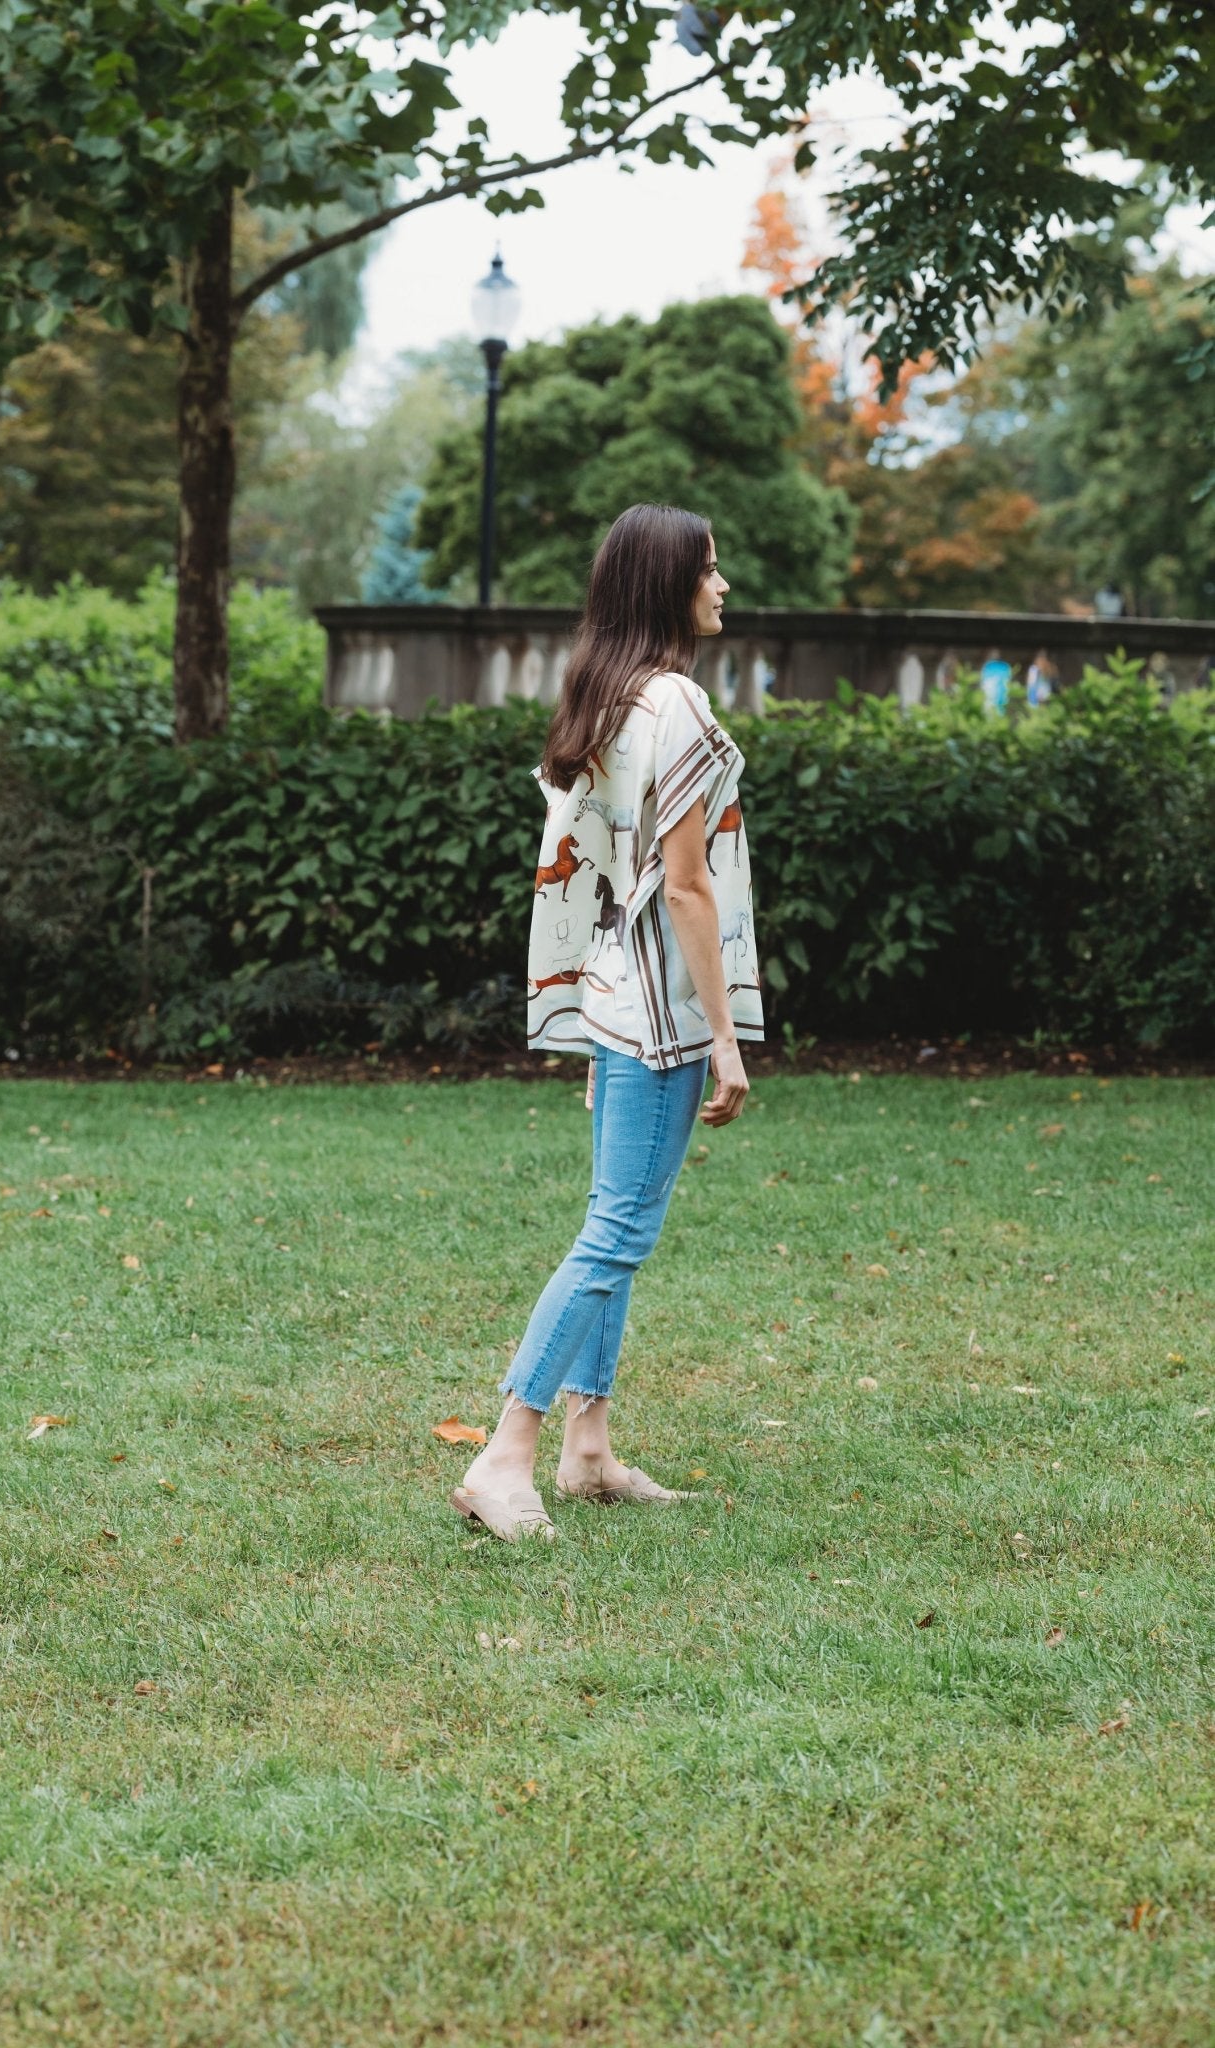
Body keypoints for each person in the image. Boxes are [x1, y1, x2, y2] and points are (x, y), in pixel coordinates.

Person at [451, 503, 765, 1543]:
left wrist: (593, 1021)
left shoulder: (612, 695)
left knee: (615, 1230)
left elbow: (593, 871)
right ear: (667, 584)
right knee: (614, 1233)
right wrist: (723, 1038)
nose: (723, 586)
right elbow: (683, 888)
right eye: (709, 570)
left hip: (617, 1001)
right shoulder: (673, 701)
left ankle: (589, 1448)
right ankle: (506, 1454)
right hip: (663, 1015)